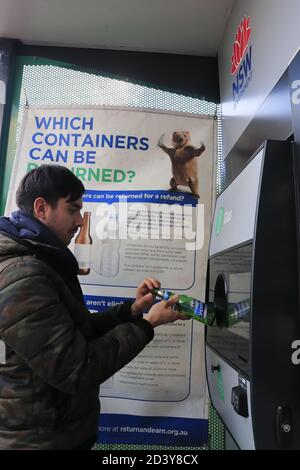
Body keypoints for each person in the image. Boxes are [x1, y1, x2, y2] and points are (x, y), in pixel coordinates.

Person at [0, 164, 186, 450]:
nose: (79, 221)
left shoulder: (39, 262)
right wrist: (148, 324)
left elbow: (74, 334)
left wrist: (132, 311)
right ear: (41, 208)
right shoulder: (23, 275)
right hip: (40, 441)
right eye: (72, 209)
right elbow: (77, 368)